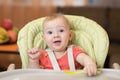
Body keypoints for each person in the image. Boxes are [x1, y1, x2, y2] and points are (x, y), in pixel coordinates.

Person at [27, 13, 97, 76]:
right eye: (50, 32)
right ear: (44, 38)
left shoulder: (74, 51)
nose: (56, 35)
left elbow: (84, 58)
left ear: (70, 35)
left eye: (61, 30)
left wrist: (89, 64)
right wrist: (33, 60)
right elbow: (34, 75)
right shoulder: (42, 55)